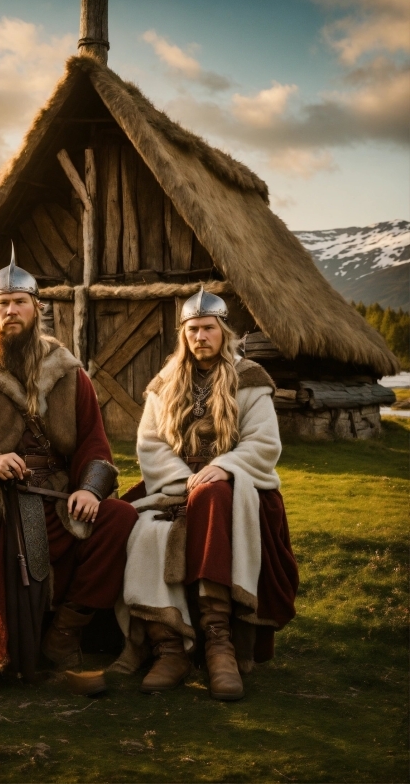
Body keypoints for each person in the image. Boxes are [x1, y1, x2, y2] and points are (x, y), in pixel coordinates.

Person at [0, 247, 138, 697]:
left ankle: (64, 635)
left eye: (20, 302)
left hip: (56, 492)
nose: (11, 311)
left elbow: (94, 442)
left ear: (37, 309)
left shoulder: (68, 373)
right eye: (3, 304)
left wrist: (91, 490)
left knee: (119, 517)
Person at [114, 288, 298, 700]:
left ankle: (219, 643)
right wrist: (181, 479)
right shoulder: (163, 386)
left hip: (235, 486)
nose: (200, 336)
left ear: (223, 331)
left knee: (211, 499)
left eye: (208, 328)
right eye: (193, 329)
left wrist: (223, 467)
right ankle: (169, 645)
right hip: (173, 485)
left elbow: (264, 442)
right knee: (142, 530)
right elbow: (150, 443)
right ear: (183, 334)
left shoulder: (250, 379)